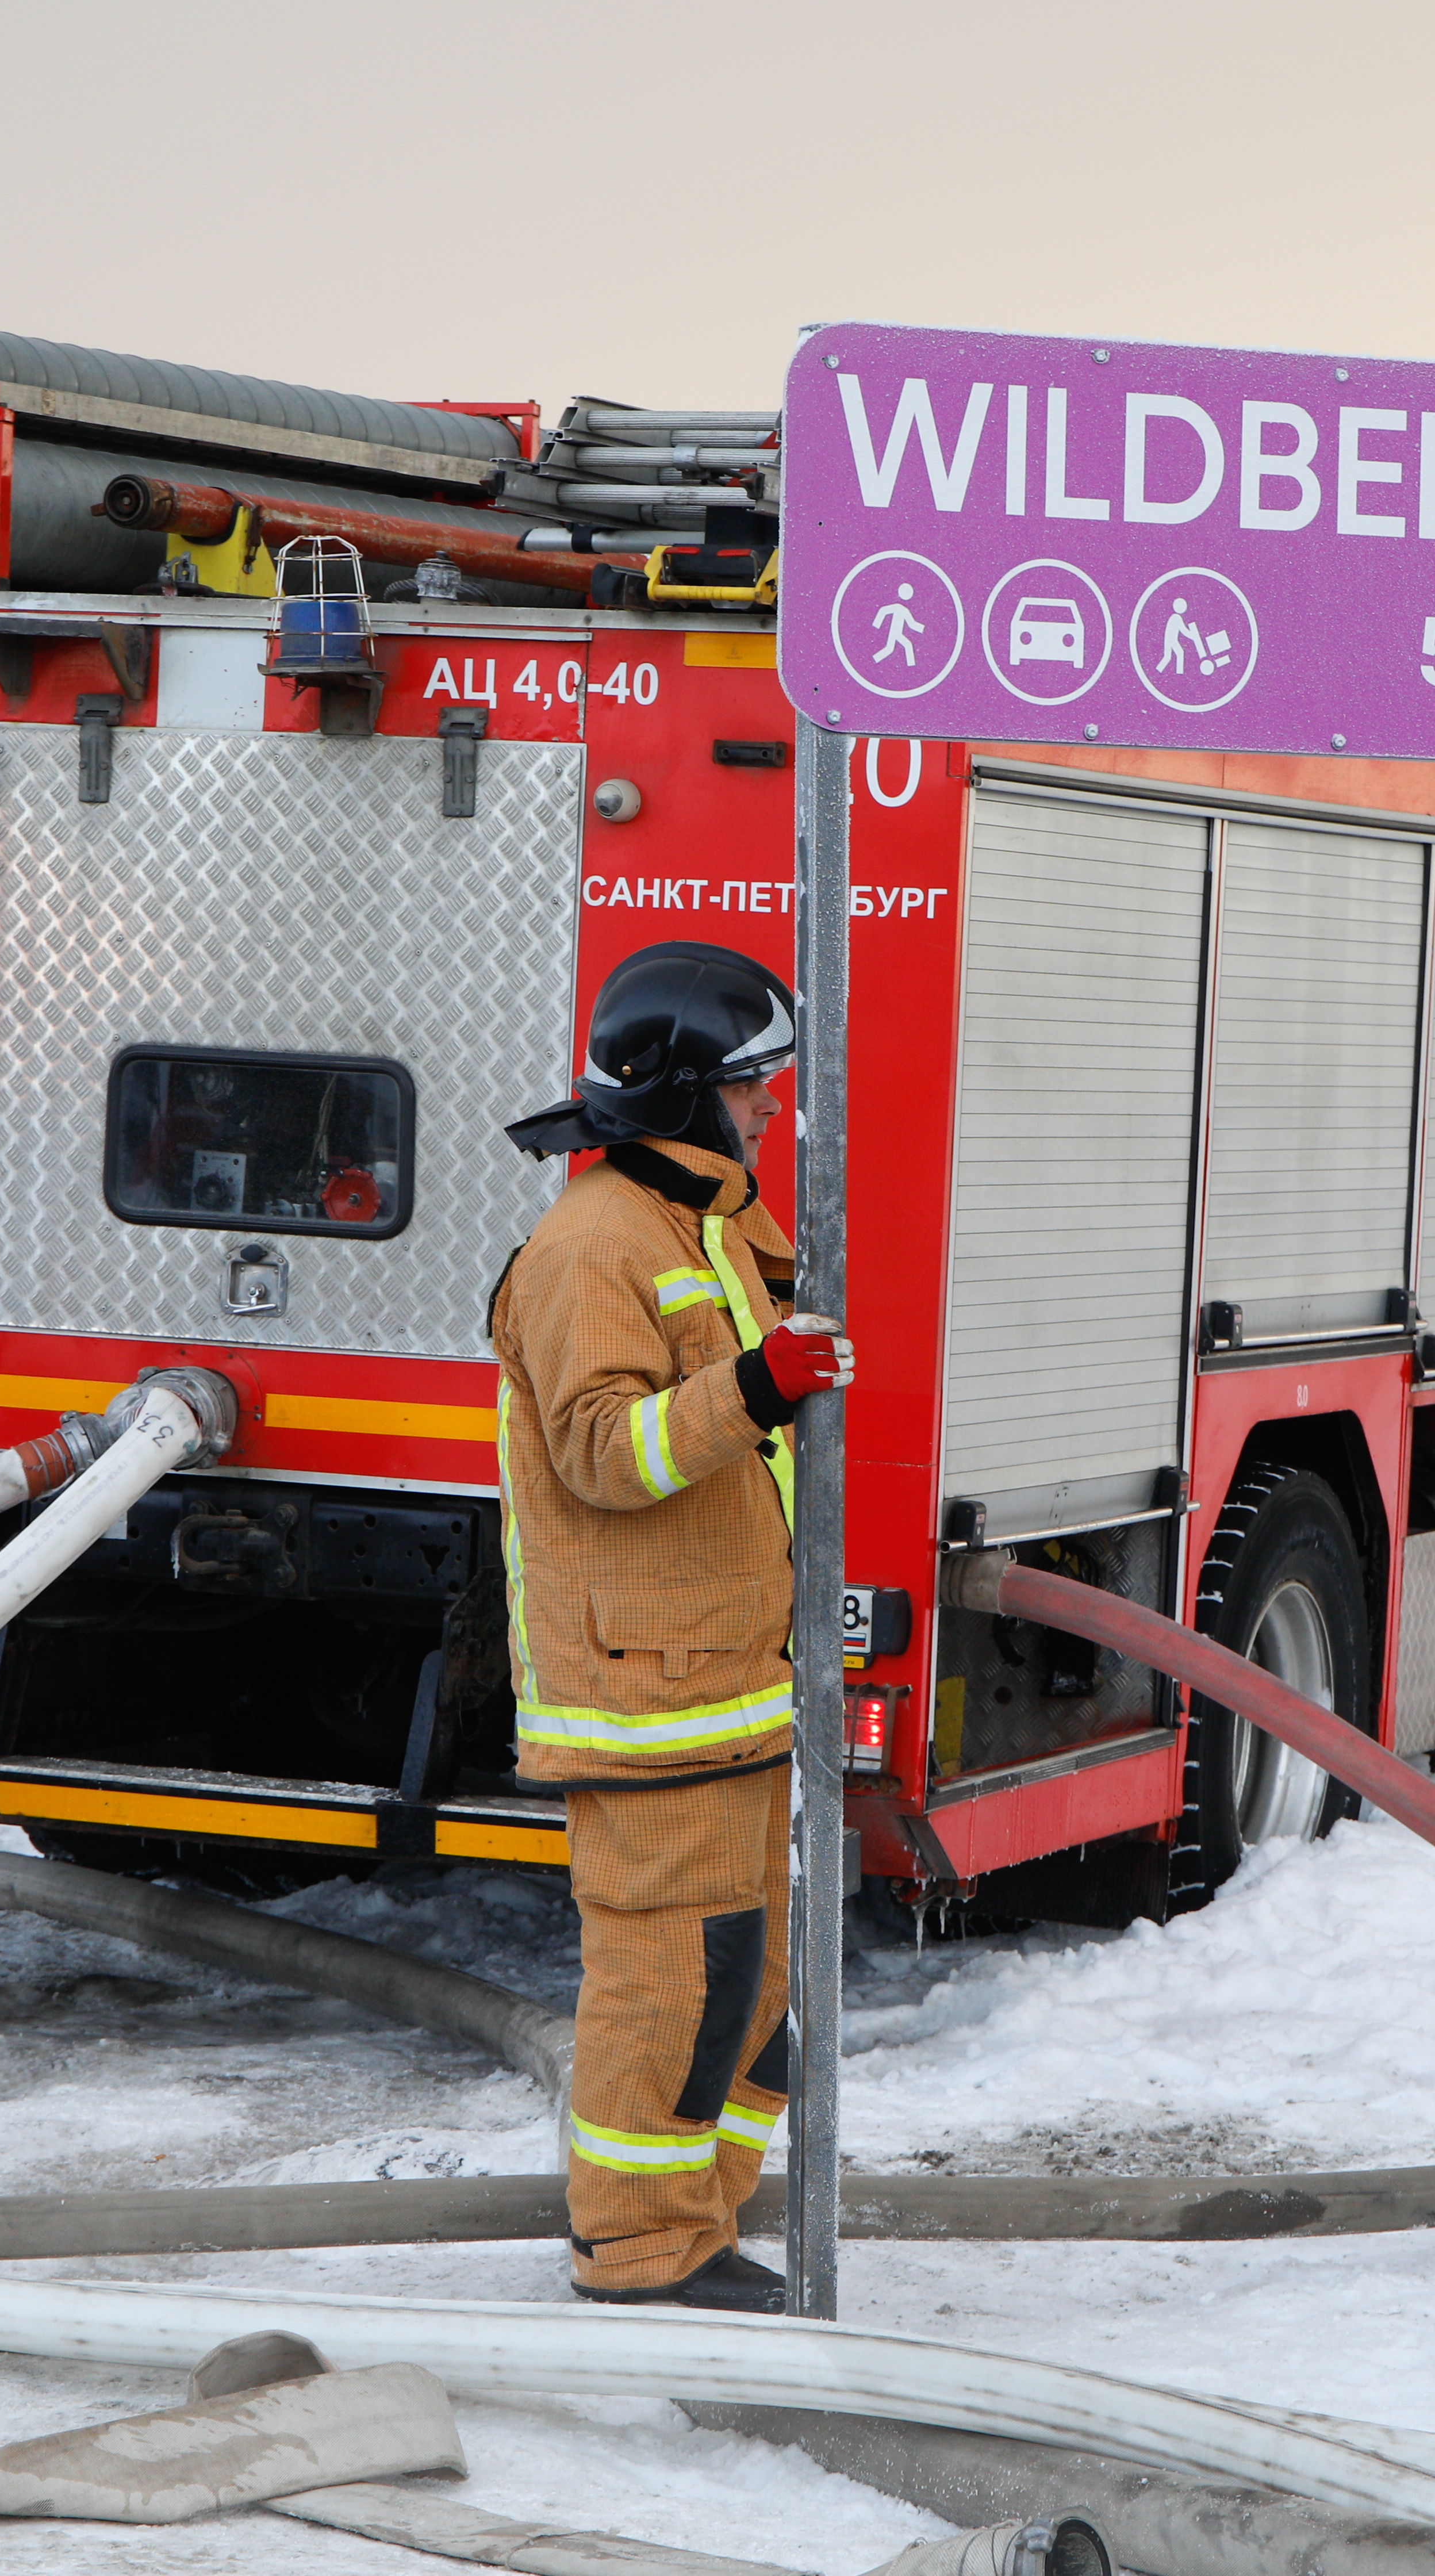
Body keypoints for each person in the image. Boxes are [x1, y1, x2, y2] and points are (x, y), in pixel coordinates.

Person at [491, 940, 853, 2312]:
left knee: (748, 1991)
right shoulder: (594, 1248)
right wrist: (758, 1383)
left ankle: (704, 2218)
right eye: (758, 1084)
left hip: (726, 1682)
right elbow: (600, 1451)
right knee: (671, 1986)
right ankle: (642, 2248)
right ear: (689, 1095)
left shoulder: (695, 1223)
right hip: (648, 1699)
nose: (777, 1108)